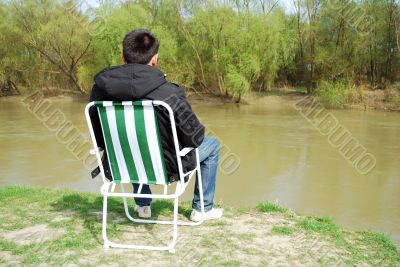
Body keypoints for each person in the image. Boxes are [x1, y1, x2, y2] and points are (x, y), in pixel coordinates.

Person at [89, 29, 223, 222]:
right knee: (212, 145)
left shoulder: (100, 90)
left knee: (128, 142)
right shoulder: (169, 92)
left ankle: (143, 205)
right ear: (154, 59)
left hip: (121, 162)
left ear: (123, 57)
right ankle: (202, 208)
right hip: (167, 167)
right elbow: (195, 137)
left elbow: (98, 137)